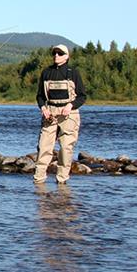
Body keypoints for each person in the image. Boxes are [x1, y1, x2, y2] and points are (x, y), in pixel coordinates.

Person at [33, 44, 87, 185]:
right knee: (44, 147)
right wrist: (42, 108)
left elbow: (82, 96)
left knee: (66, 148)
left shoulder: (73, 72)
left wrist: (70, 105)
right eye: (55, 53)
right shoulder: (46, 72)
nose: (56, 55)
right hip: (49, 113)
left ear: (67, 56)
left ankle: (62, 181)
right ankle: (38, 181)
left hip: (69, 114)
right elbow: (39, 96)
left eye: (60, 53)